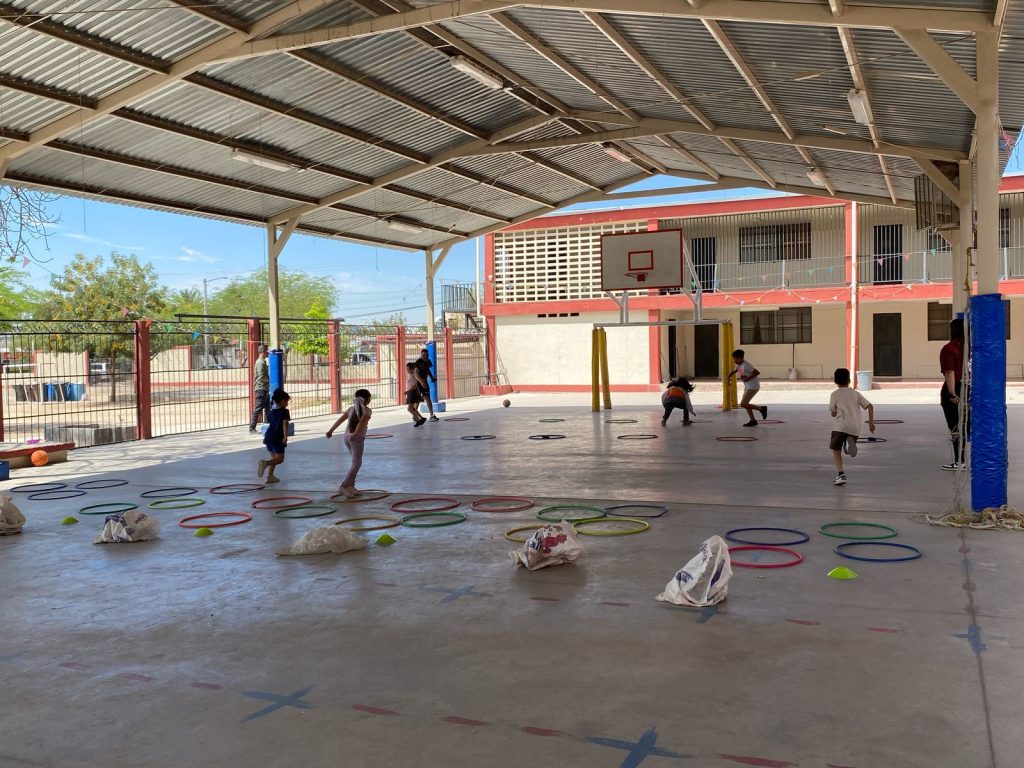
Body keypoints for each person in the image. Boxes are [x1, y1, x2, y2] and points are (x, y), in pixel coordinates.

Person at [828, 368, 875, 486]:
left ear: (835, 381)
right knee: (848, 442)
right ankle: (849, 445)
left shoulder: (834, 394)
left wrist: (836, 411)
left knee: (836, 450)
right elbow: (870, 406)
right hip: (854, 426)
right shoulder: (855, 393)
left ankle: (841, 474)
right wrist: (871, 422)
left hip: (840, 426)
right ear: (849, 380)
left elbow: (833, 413)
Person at [326, 388, 372, 498]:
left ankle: (351, 485)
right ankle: (344, 486)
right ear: (367, 400)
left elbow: (340, 420)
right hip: (356, 439)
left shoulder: (351, 409)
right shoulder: (367, 411)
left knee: (355, 463)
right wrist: (356, 433)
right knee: (357, 463)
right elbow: (361, 422)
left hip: (346, 438)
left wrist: (331, 431)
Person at [939, 317, 967, 470]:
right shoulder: (967, 349)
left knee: (955, 427)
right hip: (967, 388)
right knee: (964, 425)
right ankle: (963, 458)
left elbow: (950, 372)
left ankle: (959, 461)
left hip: (954, 388)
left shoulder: (949, 349)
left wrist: (951, 393)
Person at [726, 349, 767, 426]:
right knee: (746, 404)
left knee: (743, 404)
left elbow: (757, 372)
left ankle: (761, 409)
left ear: (741, 358)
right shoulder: (739, 365)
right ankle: (753, 420)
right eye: (734, 358)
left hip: (753, 387)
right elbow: (734, 371)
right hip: (748, 386)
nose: (735, 360)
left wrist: (747, 379)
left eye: (736, 358)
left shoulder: (746, 365)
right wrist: (728, 377)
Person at [258, 388, 290, 484]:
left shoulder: (271, 412)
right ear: (283, 401)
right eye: (287, 401)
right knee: (280, 459)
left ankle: (270, 476)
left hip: (268, 437)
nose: (287, 404)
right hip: (277, 438)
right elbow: (285, 424)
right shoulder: (285, 412)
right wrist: (285, 436)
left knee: (274, 459)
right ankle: (265, 463)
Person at [248, 344, 270, 434]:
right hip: (261, 388)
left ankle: (268, 425)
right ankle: (252, 427)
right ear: (262, 352)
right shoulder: (260, 362)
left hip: (264, 387)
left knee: (267, 407)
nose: (268, 353)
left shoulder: (263, 361)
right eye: (266, 351)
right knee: (258, 408)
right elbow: (261, 376)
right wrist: (270, 380)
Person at [414, 348, 439, 422]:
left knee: (428, 398)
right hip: (419, 383)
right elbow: (416, 373)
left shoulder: (428, 361)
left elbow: (428, 370)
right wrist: (421, 382)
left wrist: (432, 378)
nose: (425, 356)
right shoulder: (418, 362)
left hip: (425, 382)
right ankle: (415, 416)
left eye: (427, 355)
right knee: (417, 400)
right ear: (421, 355)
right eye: (424, 355)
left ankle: (431, 415)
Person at [405, 362, 427, 427]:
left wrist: (407, 392)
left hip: (411, 393)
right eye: (406, 369)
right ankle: (422, 418)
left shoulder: (412, 376)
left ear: (412, 369)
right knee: (413, 408)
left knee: (409, 409)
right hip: (411, 393)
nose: (407, 370)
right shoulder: (410, 375)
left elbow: (414, 386)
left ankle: (418, 420)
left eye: (408, 369)